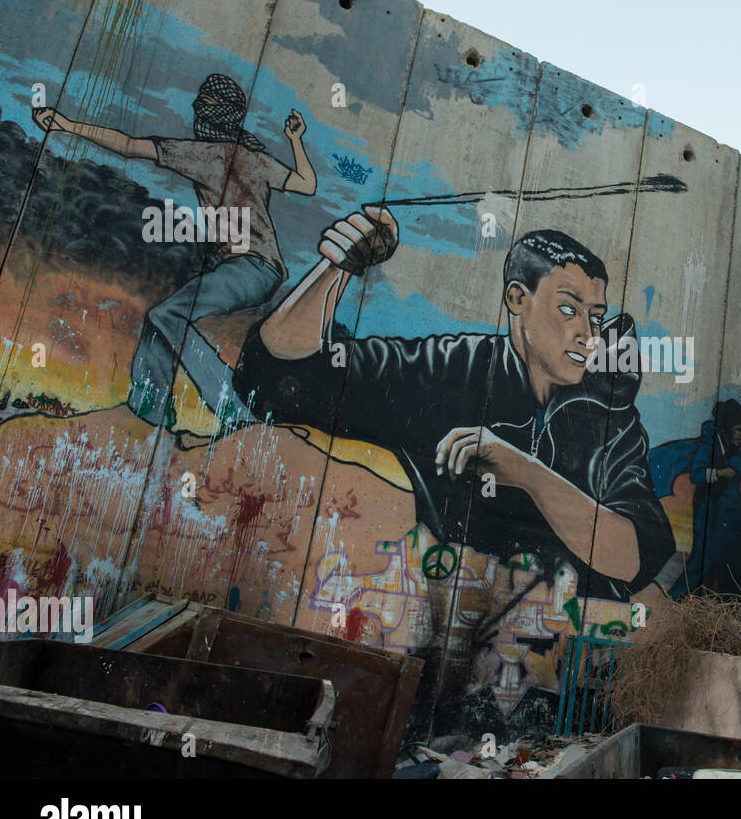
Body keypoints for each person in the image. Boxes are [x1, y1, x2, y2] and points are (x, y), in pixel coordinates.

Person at [232, 207, 675, 600]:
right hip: (444, 631)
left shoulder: (609, 418)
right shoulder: (449, 369)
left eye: (596, 317)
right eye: (568, 309)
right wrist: (337, 267)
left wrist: (525, 474)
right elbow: (278, 375)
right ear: (517, 299)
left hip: (565, 659)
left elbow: (635, 557)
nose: (589, 333)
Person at [32, 73, 316, 447]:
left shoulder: (205, 154)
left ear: (217, 115)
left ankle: (234, 411)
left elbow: (131, 145)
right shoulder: (254, 158)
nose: (197, 109)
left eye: (205, 104)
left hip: (252, 267)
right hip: (255, 269)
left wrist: (69, 126)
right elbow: (306, 183)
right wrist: (296, 141)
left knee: (169, 315)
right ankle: (148, 413)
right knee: (160, 320)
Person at [665, 399, 741, 606]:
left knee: (736, 567)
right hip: (708, 513)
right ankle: (671, 603)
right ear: (727, 429)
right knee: (704, 563)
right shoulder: (710, 444)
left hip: (731, 515)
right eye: (738, 430)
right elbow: (697, 475)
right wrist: (719, 473)